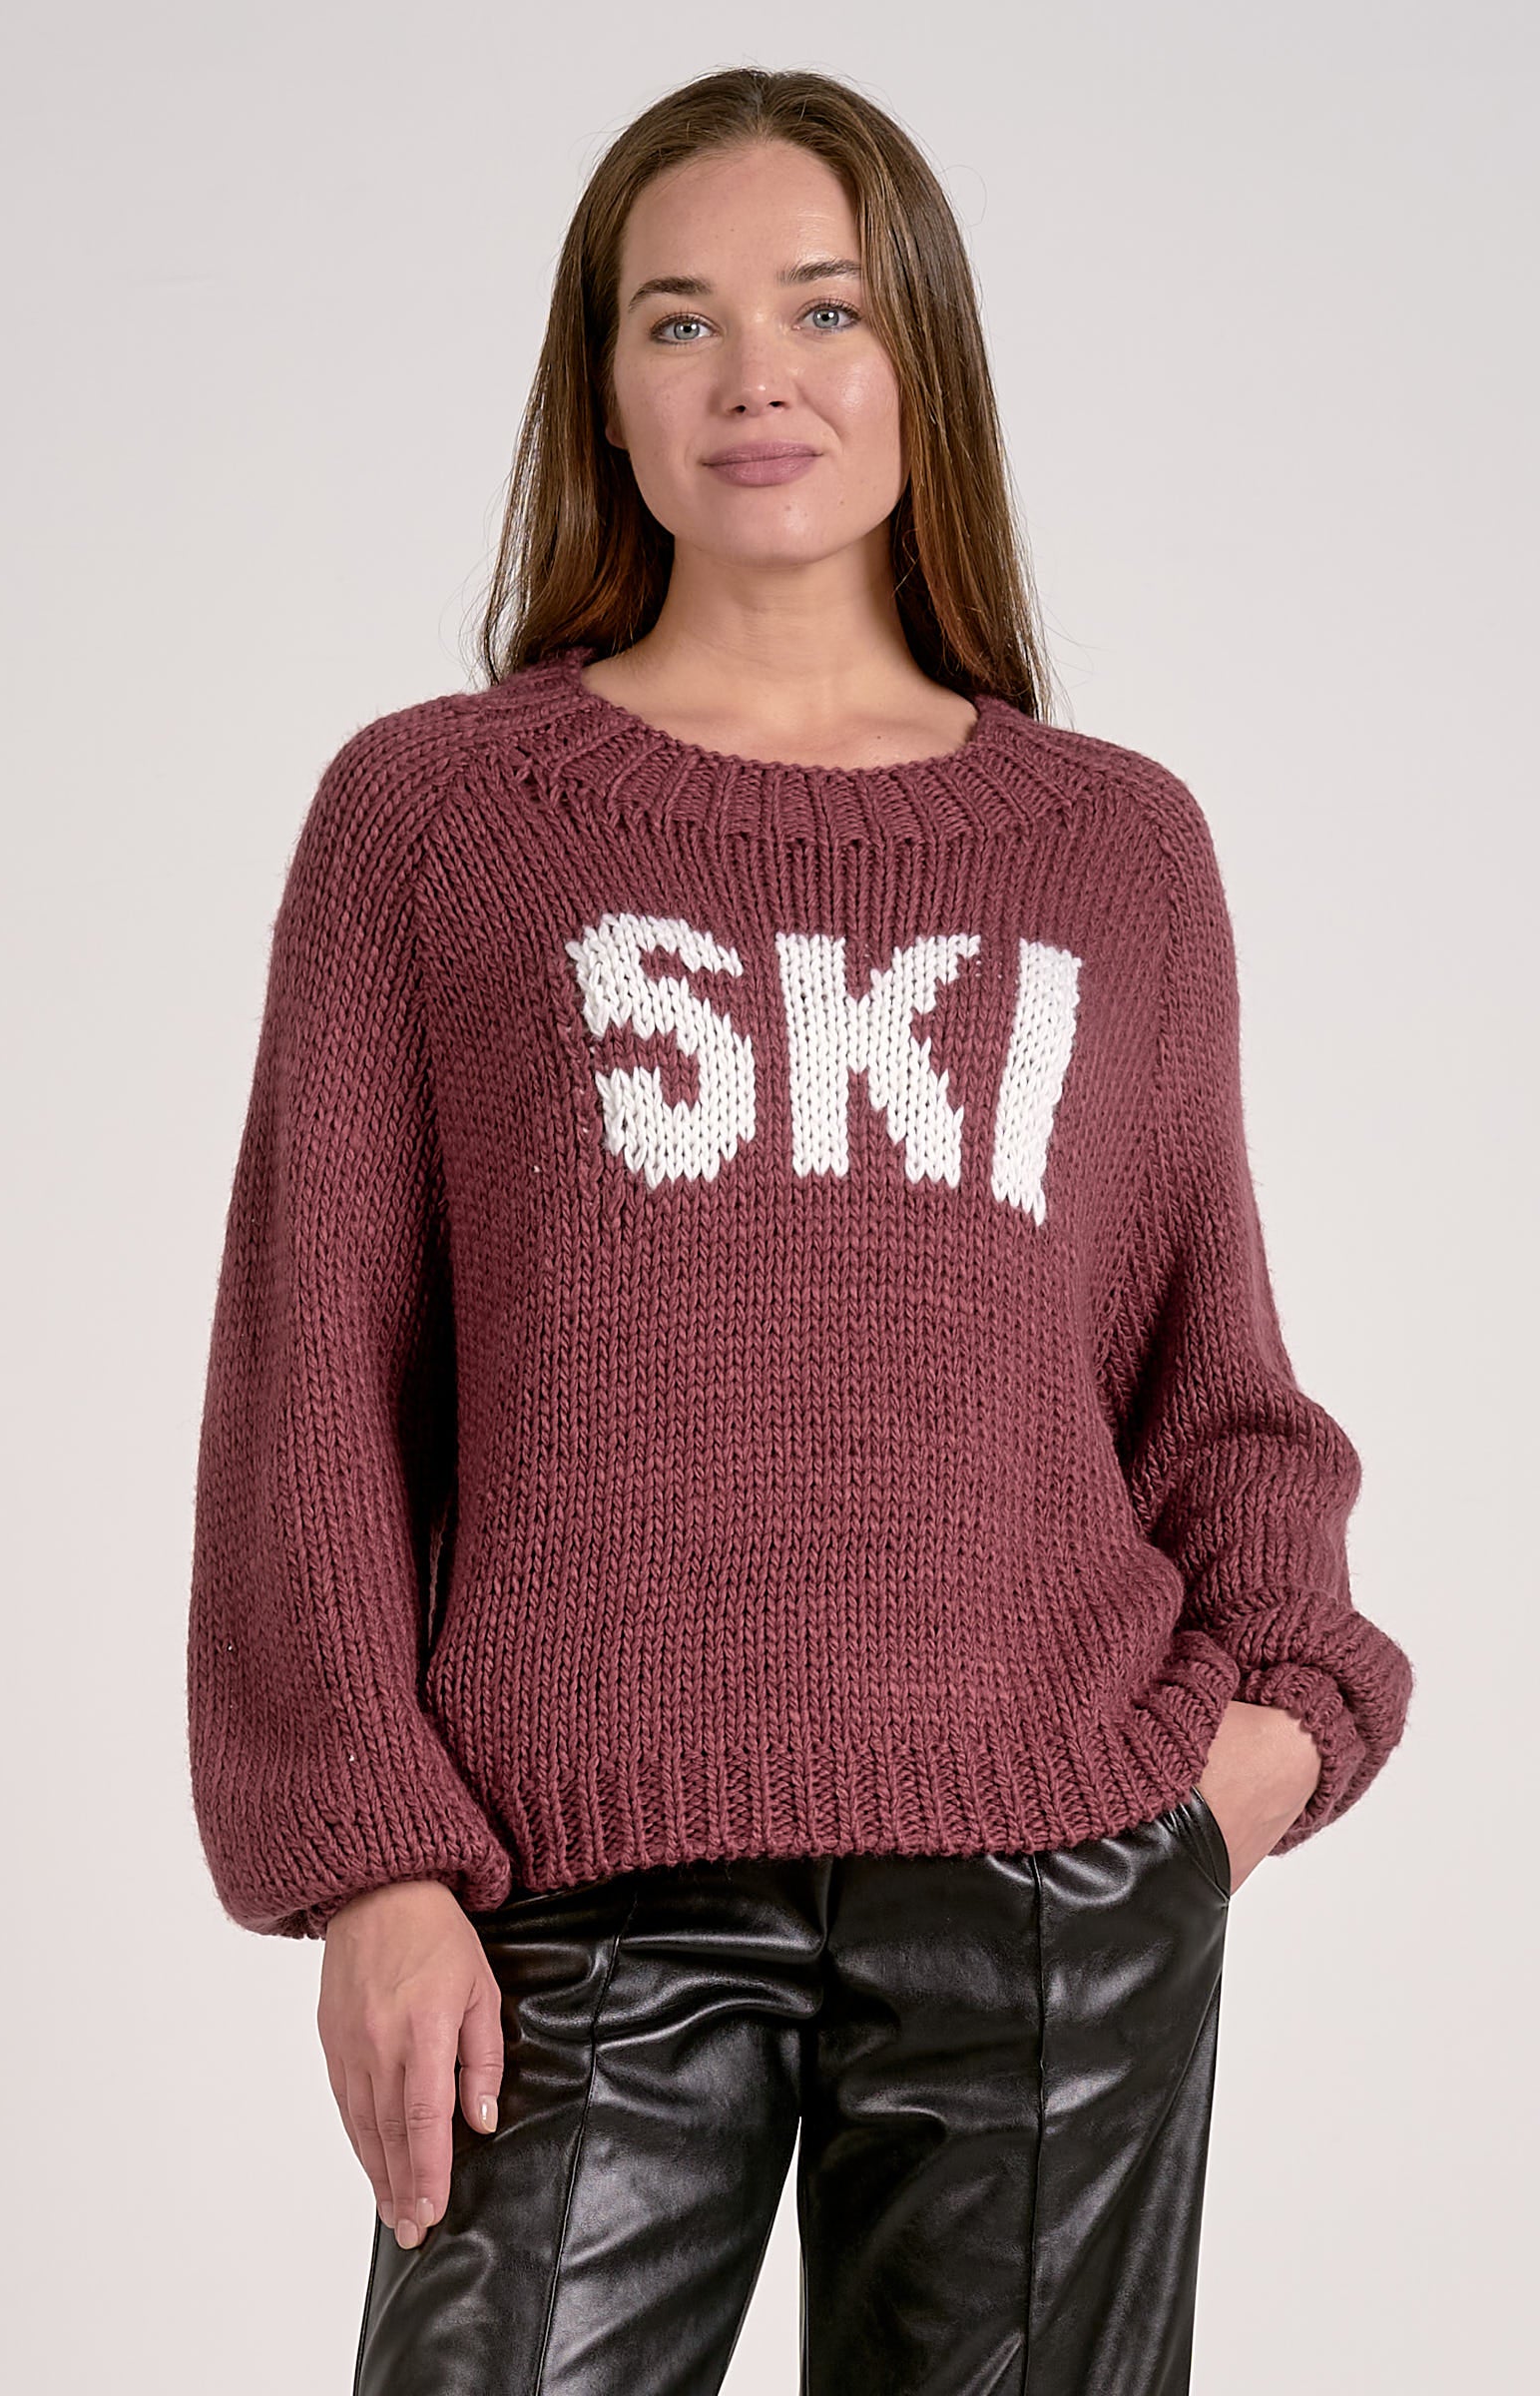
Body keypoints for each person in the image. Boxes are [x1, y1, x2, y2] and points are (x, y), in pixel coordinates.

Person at [186, 63, 1415, 2396]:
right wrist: (368, 1865)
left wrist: (1251, 1751)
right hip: (569, 1884)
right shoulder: (436, 822)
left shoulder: (1111, 849)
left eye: (822, 309)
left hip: (1047, 1888)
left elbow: (1208, 1377)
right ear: (603, 396)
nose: (755, 374)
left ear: (918, 360)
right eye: (679, 320)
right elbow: (312, 1380)